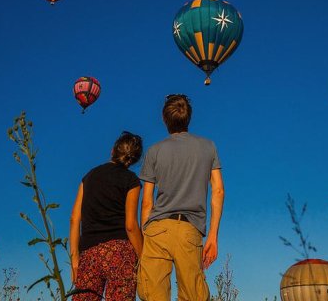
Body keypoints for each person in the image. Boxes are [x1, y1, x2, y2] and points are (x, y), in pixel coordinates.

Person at [137, 94, 225, 301]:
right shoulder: (208, 147)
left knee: (152, 293)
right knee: (194, 295)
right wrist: (213, 235)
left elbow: (147, 201)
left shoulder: (154, 151)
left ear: (164, 118)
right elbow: (218, 191)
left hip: (157, 229)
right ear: (189, 117)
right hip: (190, 229)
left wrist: (145, 236)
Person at [69, 131, 144, 301]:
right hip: (120, 252)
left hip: (89, 253)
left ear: (113, 150)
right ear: (134, 160)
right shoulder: (131, 180)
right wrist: (143, 256)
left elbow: (74, 219)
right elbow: (131, 225)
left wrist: (75, 260)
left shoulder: (89, 177)